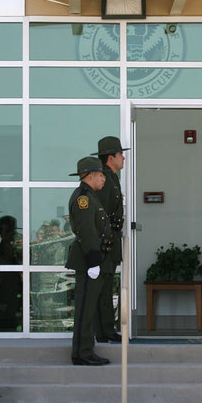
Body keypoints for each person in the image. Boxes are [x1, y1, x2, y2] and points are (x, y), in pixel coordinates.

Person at [65, 156, 113, 366]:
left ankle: (85, 349)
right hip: (88, 261)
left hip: (93, 259)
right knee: (85, 308)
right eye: (101, 175)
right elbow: (86, 230)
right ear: (90, 176)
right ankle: (82, 352)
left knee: (89, 307)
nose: (104, 179)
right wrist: (94, 261)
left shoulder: (91, 197)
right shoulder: (83, 198)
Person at [92, 135, 128, 344]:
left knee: (107, 288)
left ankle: (107, 329)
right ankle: (104, 331)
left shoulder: (112, 178)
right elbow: (102, 215)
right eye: (120, 154)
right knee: (103, 289)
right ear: (110, 158)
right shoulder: (105, 179)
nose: (123, 158)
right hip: (104, 242)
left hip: (111, 241)